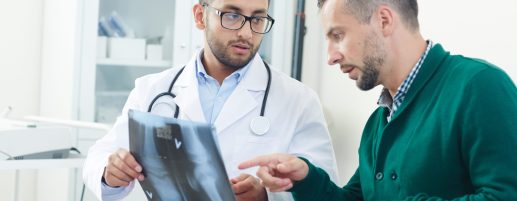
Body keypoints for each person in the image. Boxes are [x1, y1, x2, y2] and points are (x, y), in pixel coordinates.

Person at [239, 0, 517, 200]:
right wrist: (306, 179)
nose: (331, 56)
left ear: (384, 20)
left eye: (338, 35)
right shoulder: (378, 123)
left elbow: (505, 195)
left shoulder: (479, 86)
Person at [82, 0, 339, 200]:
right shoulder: (151, 89)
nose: (247, 33)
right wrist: (110, 172)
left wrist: (266, 196)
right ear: (199, 16)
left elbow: (326, 189)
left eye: (258, 19)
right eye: (232, 15)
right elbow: (100, 155)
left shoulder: (299, 100)